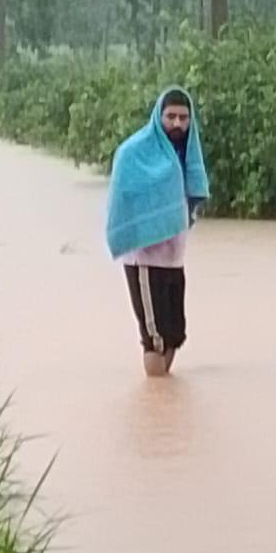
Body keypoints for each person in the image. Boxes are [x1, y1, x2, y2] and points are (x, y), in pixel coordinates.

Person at [106, 87, 209, 377]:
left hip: (174, 259)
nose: (177, 124)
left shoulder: (187, 155)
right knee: (154, 340)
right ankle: (155, 392)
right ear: (158, 117)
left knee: (174, 334)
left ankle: (164, 399)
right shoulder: (133, 153)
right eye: (170, 117)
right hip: (145, 260)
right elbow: (121, 202)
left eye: (184, 118)